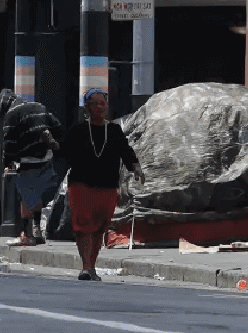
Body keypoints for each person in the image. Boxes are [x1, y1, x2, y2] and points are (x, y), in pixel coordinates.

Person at [60, 89, 145, 281]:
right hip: (81, 185)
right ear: (87, 107)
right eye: (95, 103)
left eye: (102, 103)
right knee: (83, 226)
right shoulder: (78, 130)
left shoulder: (114, 130)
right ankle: (85, 266)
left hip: (107, 186)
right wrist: (51, 144)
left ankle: (92, 266)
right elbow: (62, 152)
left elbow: (126, 151)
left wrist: (136, 167)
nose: (99, 107)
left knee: (99, 226)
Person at [2, 98, 65, 245]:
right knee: (36, 192)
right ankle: (36, 230)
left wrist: (8, 163)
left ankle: (26, 234)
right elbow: (57, 125)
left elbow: (8, 143)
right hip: (45, 156)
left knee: (26, 195)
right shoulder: (38, 105)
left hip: (27, 158)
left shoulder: (11, 114)